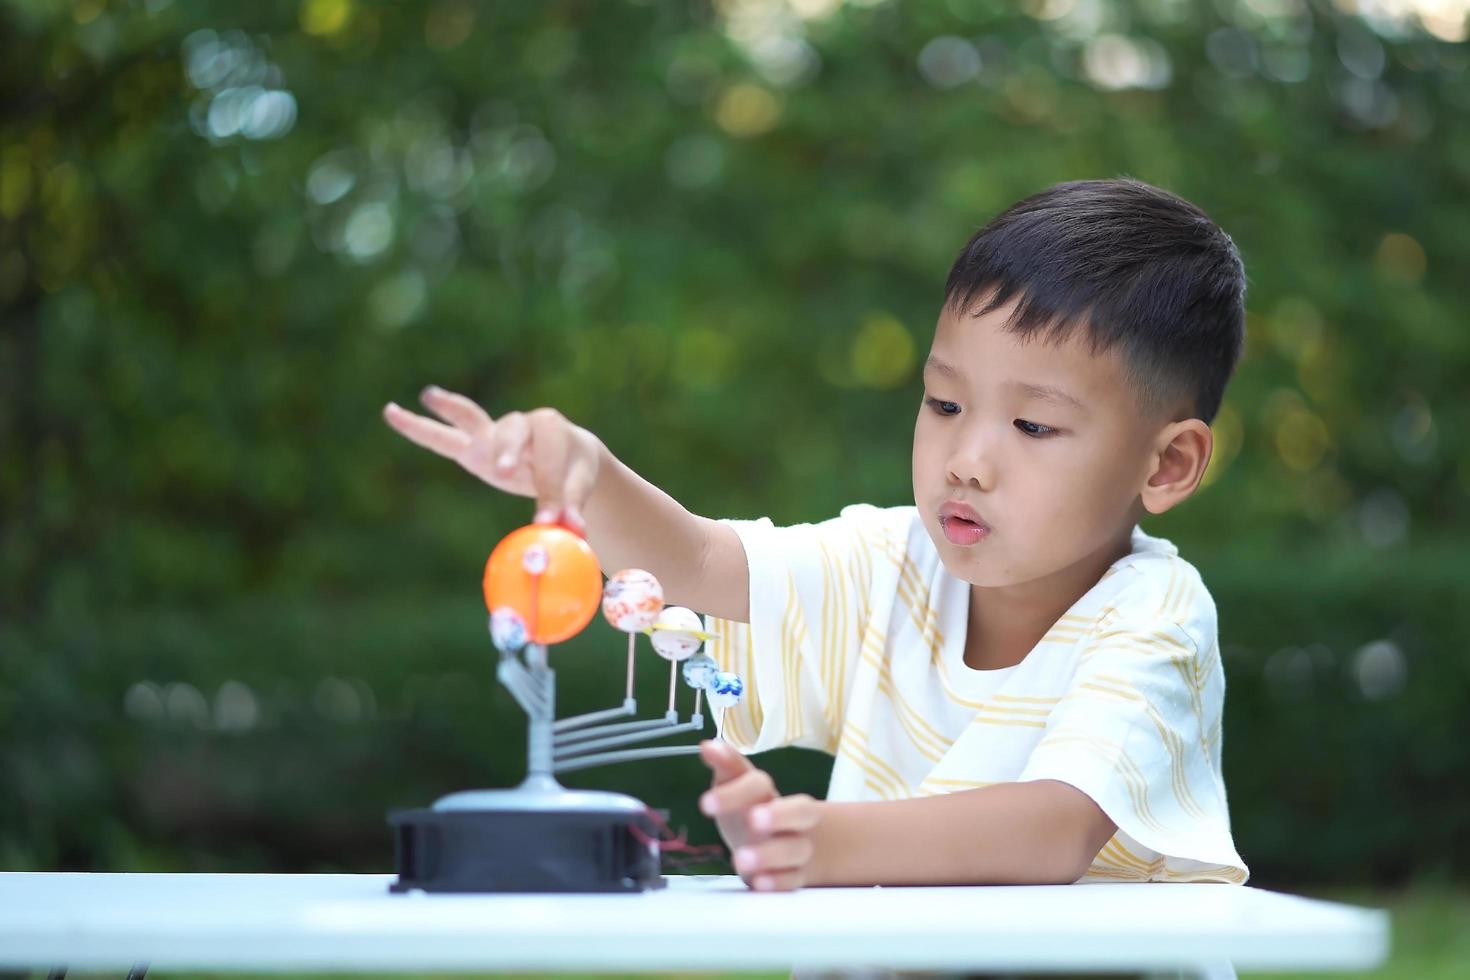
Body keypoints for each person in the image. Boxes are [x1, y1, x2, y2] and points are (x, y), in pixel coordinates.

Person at [383, 177, 1250, 892]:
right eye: (945, 404)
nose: (967, 461)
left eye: (1033, 427)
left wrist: (821, 843)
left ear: (1168, 465)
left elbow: (1052, 829)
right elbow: (695, 564)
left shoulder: (1154, 613)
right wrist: (584, 469)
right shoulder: (889, 565)